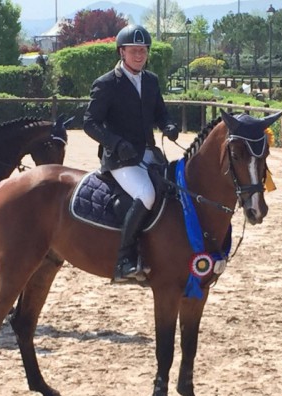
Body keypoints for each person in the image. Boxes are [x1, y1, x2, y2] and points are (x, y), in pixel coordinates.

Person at [83, 24, 178, 283]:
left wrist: (168, 125)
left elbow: (160, 112)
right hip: (120, 158)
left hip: (148, 152)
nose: (139, 55)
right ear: (122, 52)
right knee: (146, 194)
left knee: (174, 188)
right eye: (134, 50)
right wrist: (114, 142)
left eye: (143, 50)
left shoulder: (150, 80)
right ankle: (124, 260)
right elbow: (90, 123)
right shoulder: (106, 84)